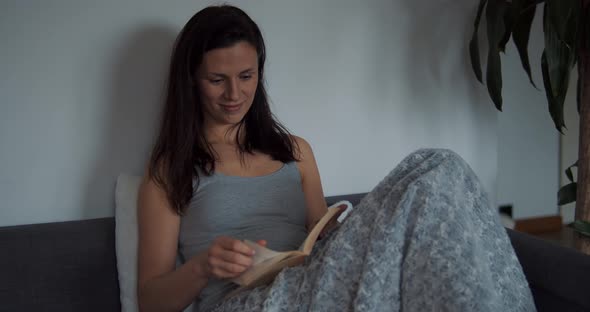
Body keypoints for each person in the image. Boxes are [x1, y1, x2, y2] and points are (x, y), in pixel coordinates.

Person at [137, 5, 536, 312]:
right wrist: (205, 266)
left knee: (439, 167)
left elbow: (319, 237)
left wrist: (339, 230)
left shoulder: (294, 151)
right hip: (243, 303)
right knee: (433, 172)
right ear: (191, 79)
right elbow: (150, 299)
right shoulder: (168, 171)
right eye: (217, 80)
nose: (234, 94)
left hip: (311, 286)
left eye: (246, 76)